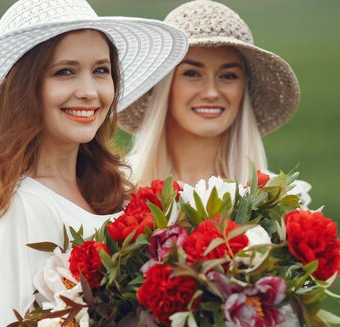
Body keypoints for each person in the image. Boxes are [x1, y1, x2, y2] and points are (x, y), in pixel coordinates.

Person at [0, 0, 187, 327]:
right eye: (65, 71)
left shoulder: (105, 190)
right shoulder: (22, 207)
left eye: (101, 71)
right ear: (24, 87)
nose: (89, 91)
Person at [119, 0, 301, 187]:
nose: (211, 92)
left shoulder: (278, 199)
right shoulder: (115, 191)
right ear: (164, 86)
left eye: (228, 76)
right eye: (192, 74)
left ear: (243, 89)